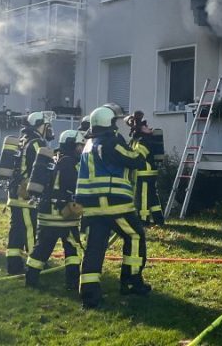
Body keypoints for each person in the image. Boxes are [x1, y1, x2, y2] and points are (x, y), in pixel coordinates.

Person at [75, 105, 150, 309]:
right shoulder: (109, 141)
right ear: (109, 123)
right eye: (115, 122)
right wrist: (142, 141)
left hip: (91, 207)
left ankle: (89, 296)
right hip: (113, 204)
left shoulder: (89, 144)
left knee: (94, 248)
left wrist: (132, 137)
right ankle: (131, 281)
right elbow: (135, 160)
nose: (117, 125)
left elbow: (119, 156)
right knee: (134, 236)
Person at [25, 129, 85, 290]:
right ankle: (72, 283)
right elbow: (74, 187)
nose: (81, 149)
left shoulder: (53, 158)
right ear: (72, 145)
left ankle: (31, 279)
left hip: (45, 213)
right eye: (79, 146)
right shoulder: (70, 163)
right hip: (63, 216)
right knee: (72, 250)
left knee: (42, 249)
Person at [0, 110, 55, 275]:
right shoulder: (37, 142)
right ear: (40, 125)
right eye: (47, 125)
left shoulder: (23, 141)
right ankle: (34, 265)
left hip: (15, 192)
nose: (49, 128)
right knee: (30, 228)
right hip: (26, 195)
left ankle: (14, 265)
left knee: (16, 229)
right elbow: (41, 166)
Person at [126, 111, 166, 226]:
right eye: (145, 126)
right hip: (147, 171)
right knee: (152, 196)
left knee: (143, 196)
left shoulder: (144, 140)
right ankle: (159, 220)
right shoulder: (139, 139)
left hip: (144, 172)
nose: (149, 128)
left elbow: (138, 156)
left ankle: (143, 220)